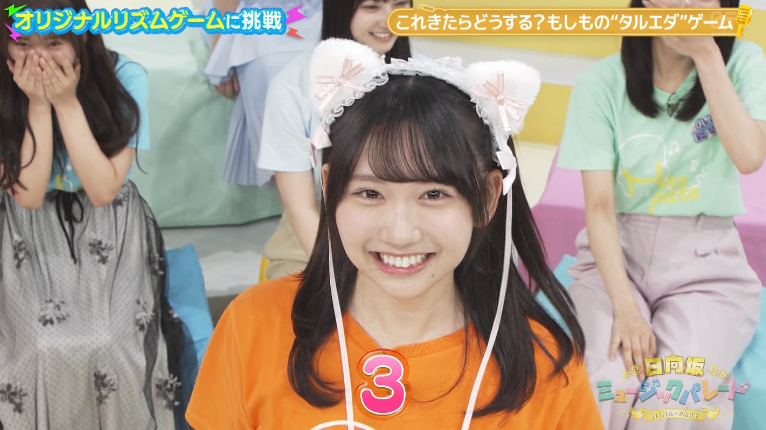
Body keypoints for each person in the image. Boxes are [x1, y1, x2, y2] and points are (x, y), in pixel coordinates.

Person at [185, 38, 604, 429]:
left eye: (434, 194)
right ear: (329, 190)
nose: (400, 234)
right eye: (370, 193)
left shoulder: (546, 365)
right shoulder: (253, 324)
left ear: (489, 196)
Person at [557, 0, 766, 428]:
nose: (685, 3)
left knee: (673, 398)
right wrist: (625, 308)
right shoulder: (601, 81)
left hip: (707, 265)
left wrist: (707, 53)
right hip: (615, 259)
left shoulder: (743, 61)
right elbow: (599, 206)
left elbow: (749, 157)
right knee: (604, 382)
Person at [0, 0, 189, 428]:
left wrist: (66, 103)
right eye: (23, 43)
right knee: (37, 349)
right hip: (23, 226)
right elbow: (28, 194)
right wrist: (37, 105)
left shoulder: (125, 77)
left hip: (110, 222)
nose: (39, 57)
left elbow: (104, 189)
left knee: (109, 345)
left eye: (54, 42)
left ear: (81, 36)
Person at [256, 0, 413, 280]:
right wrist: (343, 278)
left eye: (400, 4)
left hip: (410, 233)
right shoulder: (291, 86)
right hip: (318, 237)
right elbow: (301, 209)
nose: (389, 20)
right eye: (371, 7)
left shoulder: (429, 78)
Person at [202, 0, 323, 185]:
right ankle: (295, 191)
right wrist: (221, 47)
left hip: (325, 9)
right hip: (257, 12)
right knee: (273, 71)